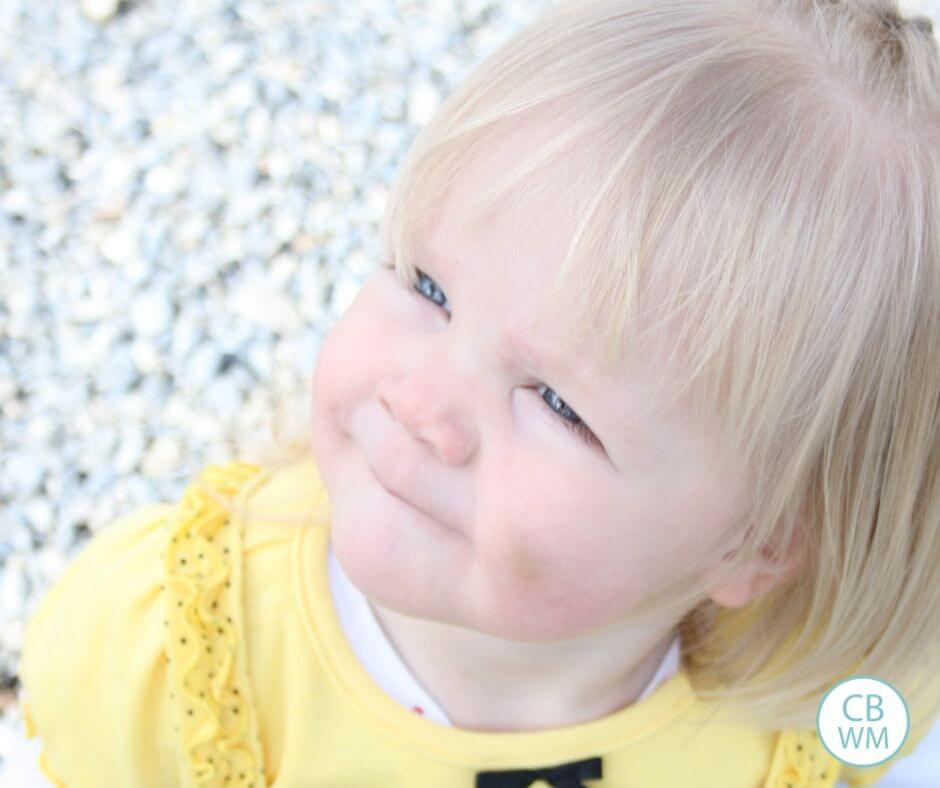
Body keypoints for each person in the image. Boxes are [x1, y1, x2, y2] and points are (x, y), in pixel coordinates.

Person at [9, 0, 940, 785]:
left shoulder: (833, 713)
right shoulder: (169, 654)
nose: (421, 403)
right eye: (429, 288)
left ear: (760, 542)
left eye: (558, 403)